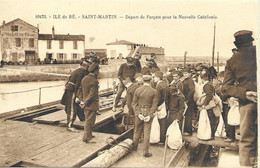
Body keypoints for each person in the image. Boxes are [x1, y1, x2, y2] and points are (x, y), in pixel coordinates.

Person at [221, 30, 257, 166]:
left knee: (246, 142)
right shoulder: (256, 52)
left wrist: (245, 93)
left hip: (247, 104)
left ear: (236, 44)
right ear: (252, 41)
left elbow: (226, 87)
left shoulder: (232, 60)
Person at [132, 73, 158, 157]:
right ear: (150, 81)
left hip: (139, 111)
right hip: (148, 111)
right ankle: (145, 152)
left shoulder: (137, 90)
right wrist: (149, 115)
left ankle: (134, 148)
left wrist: (138, 113)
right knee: (147, 132)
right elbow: (154, 105)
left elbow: (134, 104)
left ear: (143, 81)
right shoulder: (154, 91)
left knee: (137, 131)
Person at [61, 60, 90, 132]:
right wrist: (77, 96)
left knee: (77, 106)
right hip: (72, 91)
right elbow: (78, 85)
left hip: (69, 89)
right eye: (88, 67)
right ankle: (69, 125)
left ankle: (82, 118)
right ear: (85, 66)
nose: (89, 69)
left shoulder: (77, 70)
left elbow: (69, 79)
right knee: (71, 108)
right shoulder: (81, 73)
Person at [81, 63, 100, 143]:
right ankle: (86, 138)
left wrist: (82, 100)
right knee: (89, 121)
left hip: (86, 103)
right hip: (91, 104)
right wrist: (86, 102)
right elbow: (92, 94)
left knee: (88, 120)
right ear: (95, 71)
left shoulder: (84, 78)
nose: (98, 72)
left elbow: (80, 90)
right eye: (98, 70)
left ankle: (89, 134)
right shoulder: (94, 81)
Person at [199, 73, 219, 139]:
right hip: (212, 104)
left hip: (209, 104)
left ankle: (210, 134)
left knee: (210, 119)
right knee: (213, 119)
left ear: (202, 79)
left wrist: (205, 104)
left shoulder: (206, 86)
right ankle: (211, 134)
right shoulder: (210, 84)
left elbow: (209, 95)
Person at [153, 71, 168, 143]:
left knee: (160, 123)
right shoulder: (164, 84)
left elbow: (157, 98)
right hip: (164, 104)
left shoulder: (158, 86)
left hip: (160, 105)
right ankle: (163, 138)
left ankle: (161, 139)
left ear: (158, 78)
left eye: (155, 77)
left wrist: (155, 107)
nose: (154, 79)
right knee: (163, 122)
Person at [181, 68, 196, 135]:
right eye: (184, 74)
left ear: (189, 74)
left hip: (189, 101)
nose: (185, 75)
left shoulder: (190, 81)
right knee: (186, 115)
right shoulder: (185, 80)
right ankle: (185, 129)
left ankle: (188, 131)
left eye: (186, 73)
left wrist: (187, 99)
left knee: (188, 115)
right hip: (186, 99)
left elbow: (192, 90)